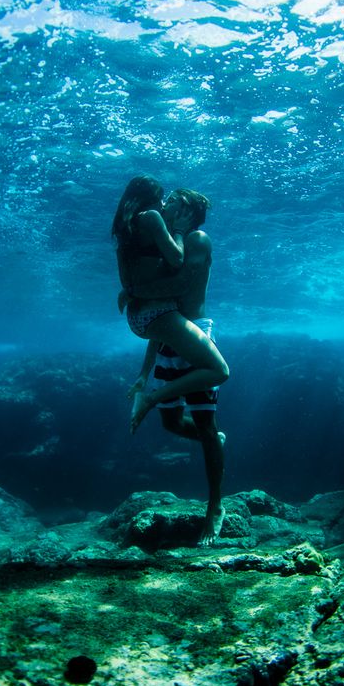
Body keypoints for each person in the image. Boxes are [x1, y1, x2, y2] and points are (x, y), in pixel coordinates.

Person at [127, 188, 226, 545]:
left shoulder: (197, 238)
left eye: (172, 202)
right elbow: (163, 318)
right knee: (172, 424)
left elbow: (183, 283)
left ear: (187, 212)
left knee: (205, 422)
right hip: (172, 333)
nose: (163, 205)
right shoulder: (168, 243)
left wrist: (137, 292)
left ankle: (215, 508)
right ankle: (211, 440)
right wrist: (143, 373)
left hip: (195, 333)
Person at [113, 176, 229, 434]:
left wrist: (144, 373)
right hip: (164, 318)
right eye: (165, 197)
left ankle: (211, 438)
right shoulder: (158, 227)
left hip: (143, 320)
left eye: (172, 200)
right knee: (219, 371)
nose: (164, 203)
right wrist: (177, 231)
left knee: (176, 423)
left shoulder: (130, 230)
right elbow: (176, 281)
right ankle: (151, 399)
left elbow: (163, 309)